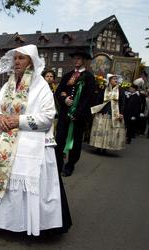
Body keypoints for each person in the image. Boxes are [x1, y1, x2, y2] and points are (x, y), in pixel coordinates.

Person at [0, 44, 72, 239]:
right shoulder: (8, 84)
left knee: (19, 181)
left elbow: (48, 116)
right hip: (2, 138)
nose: (16, 62)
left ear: (31, 62)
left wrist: (19, 120)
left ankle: (21, 223)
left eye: (21, 58)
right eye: (15, 58)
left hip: (28, 141)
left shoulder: (40, 86)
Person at [55, 48, 95, 176]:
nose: (76, 60)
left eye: (78, 58)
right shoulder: (68, 75)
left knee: (75, 142)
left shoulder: (89, 77)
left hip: (78, 117)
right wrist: (64, 99)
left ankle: (70, 165)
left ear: (83, 60)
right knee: (60, 140)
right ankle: (58, 165)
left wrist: (78, 113)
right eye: (75, 58)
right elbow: (58, 91)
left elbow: (89, 98)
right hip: (64, 116)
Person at [89, 74, 125, 153]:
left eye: (116, 79)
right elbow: (98, 100)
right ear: (110, 80)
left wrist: (121, 113)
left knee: (109, 131)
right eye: (114, 79)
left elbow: (122, 102)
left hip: (114, 113)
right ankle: (98, 146)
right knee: (100, 129)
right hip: (103, 112)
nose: (116, 80)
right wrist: (97, 110)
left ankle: (105, 147)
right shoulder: (104, 89)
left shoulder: (120, 90)